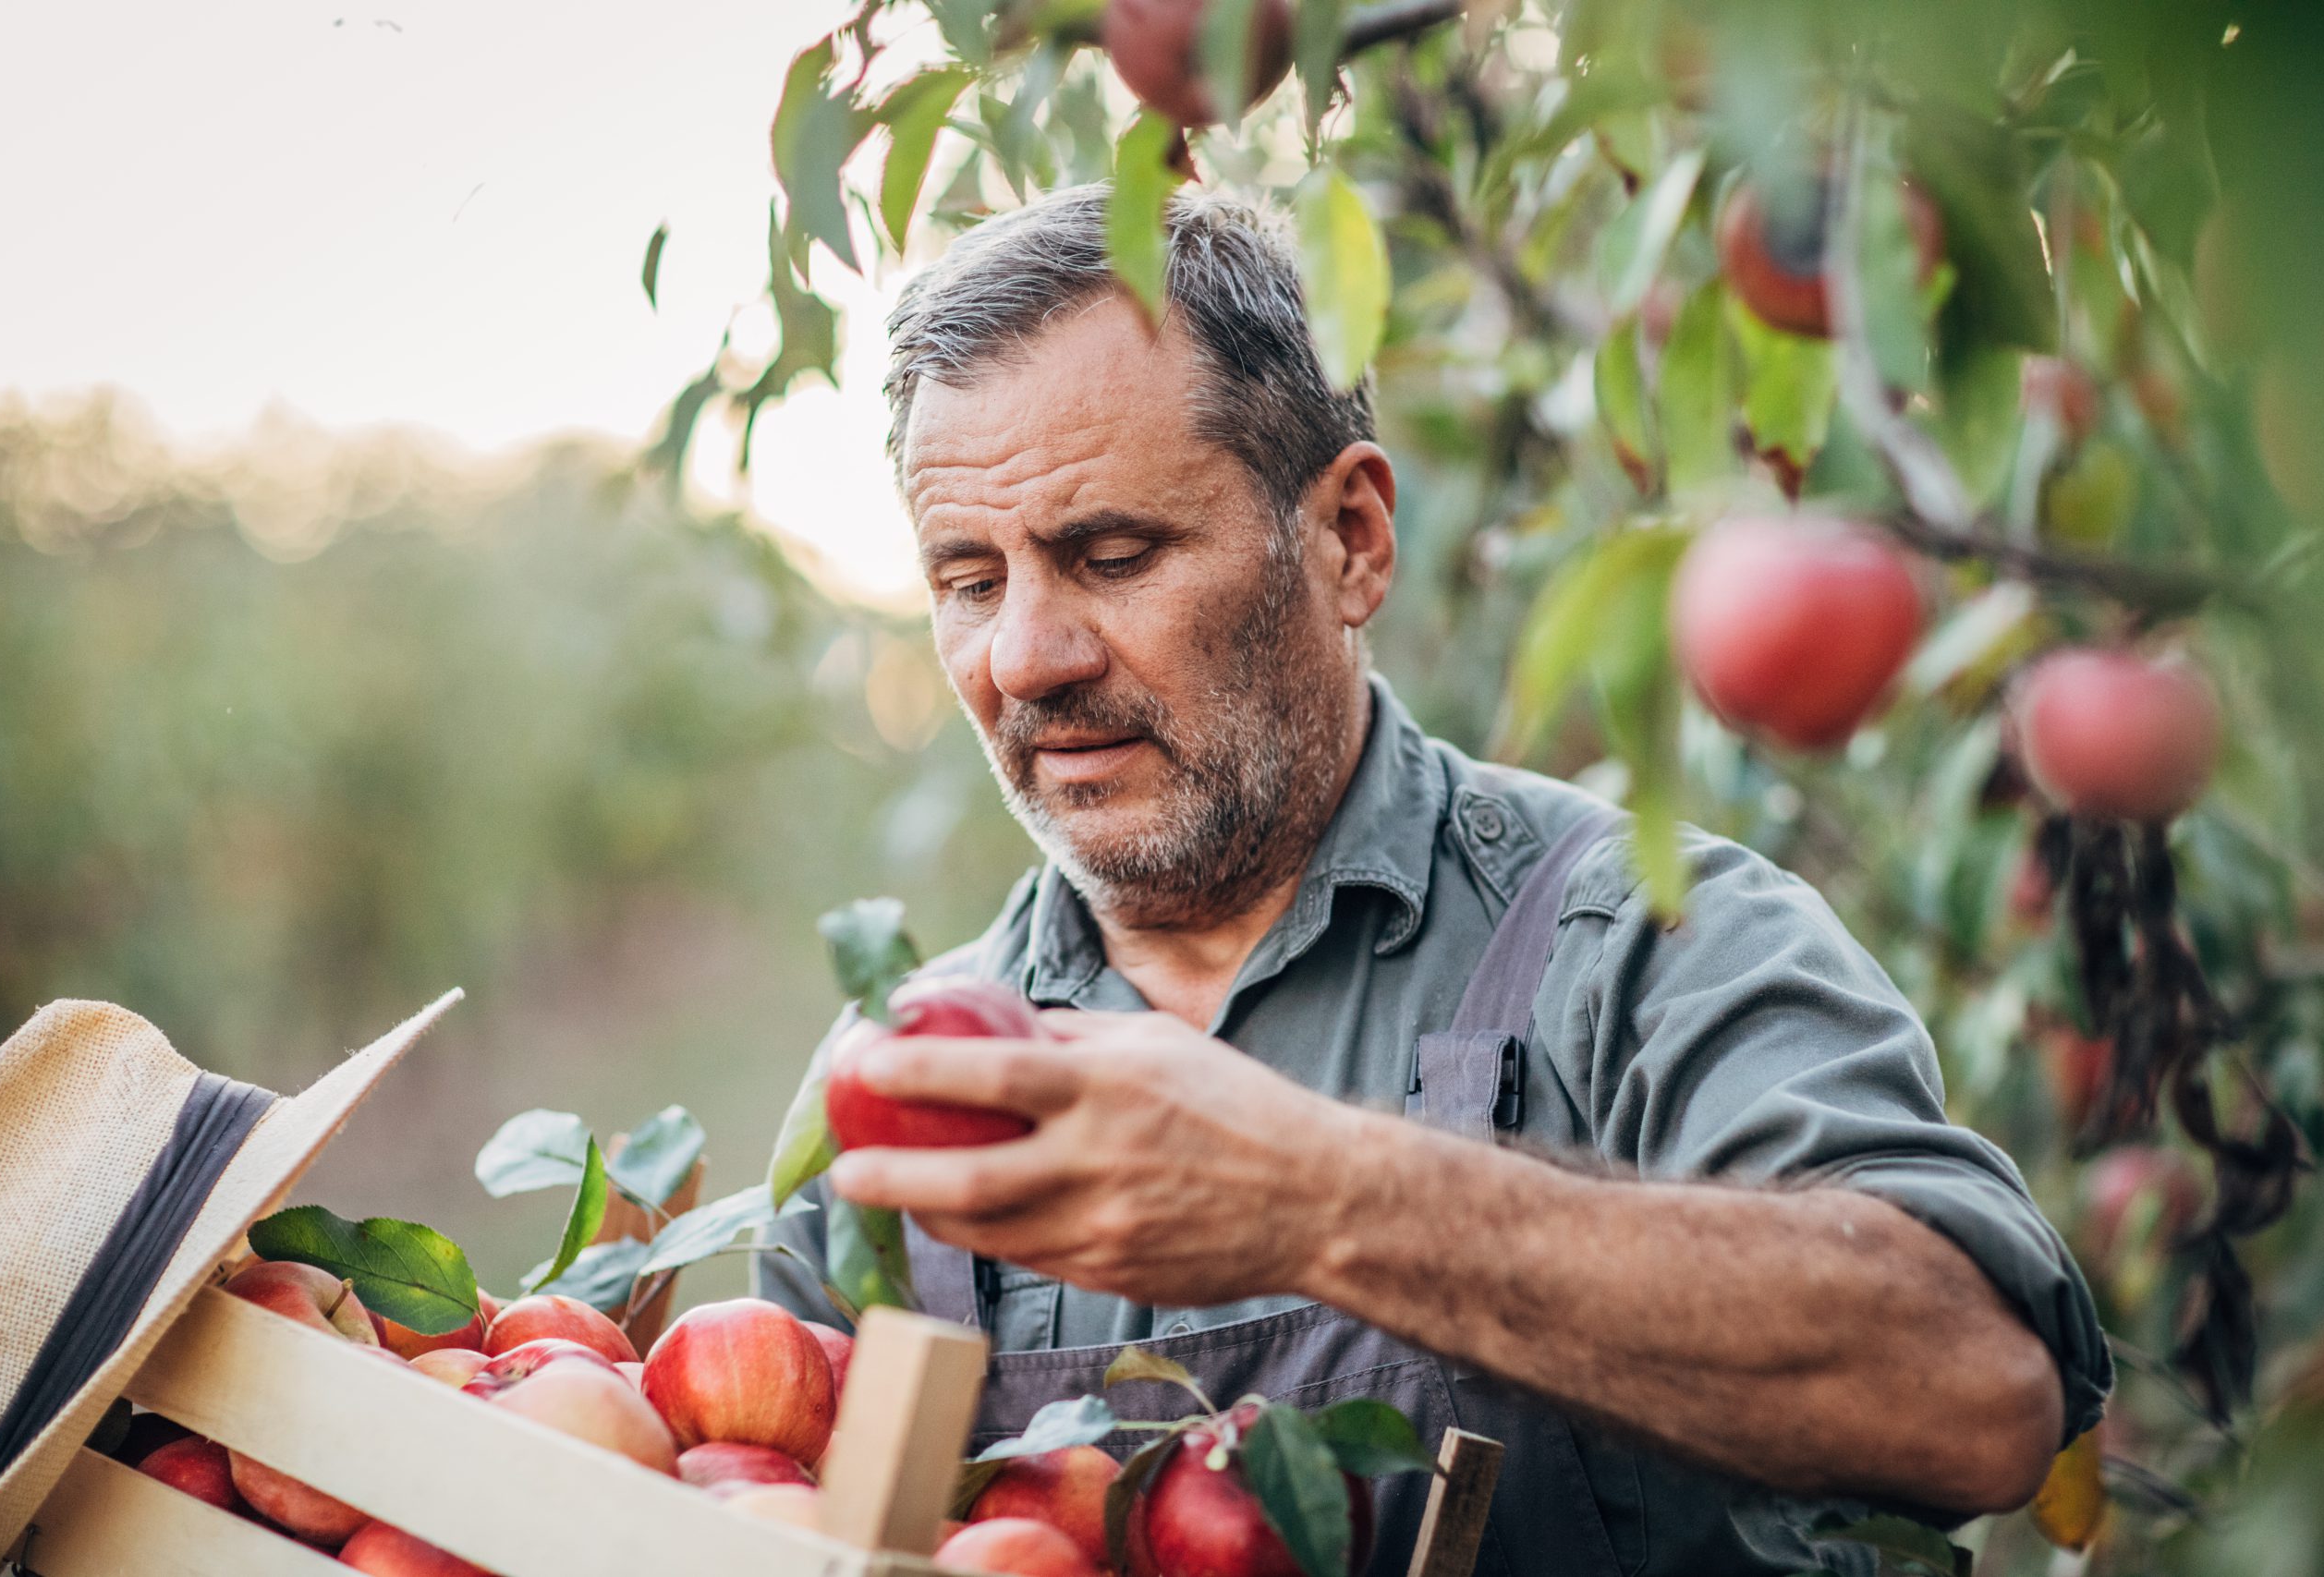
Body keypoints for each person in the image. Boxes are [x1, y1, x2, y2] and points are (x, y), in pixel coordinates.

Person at [756, 181, 2110, 1575]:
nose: (1028, 657)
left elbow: (1978, 1397)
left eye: (1113, 554)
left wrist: (1323, 1199)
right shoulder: (909, 1086)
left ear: (1349, 538)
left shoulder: (1638, 943)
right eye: (969, 580)